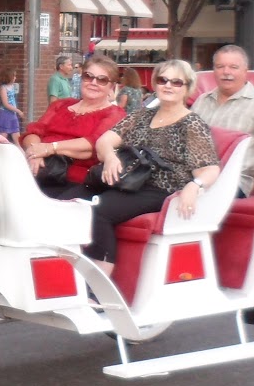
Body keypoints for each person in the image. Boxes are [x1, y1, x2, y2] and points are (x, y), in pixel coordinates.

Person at [67, 59, 221, 266]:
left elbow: (210, 168)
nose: (168, 85)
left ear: (187, 89)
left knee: (98, 212)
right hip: (127, 179)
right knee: (68, 204)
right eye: (163, 79)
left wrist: (195, 186)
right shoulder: (141, 115)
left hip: (158, 187)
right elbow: (105, 141)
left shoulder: (192, 124)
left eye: (176, 82)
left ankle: (97, 287)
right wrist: (110, 156)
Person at [190, 44, 254, 190]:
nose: (226, 72)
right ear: (214, 70)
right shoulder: (202, 101)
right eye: (220, 66)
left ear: (245, 71)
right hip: (193, 175)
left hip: (231, 181)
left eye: (233, 67)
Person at [21, 53, 125, 198]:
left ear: (111, 87)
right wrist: (35, 153)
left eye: (102, 80)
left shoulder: (114, 114)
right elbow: (34, 132)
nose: (93, 82)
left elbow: (92, 145)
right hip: (38, 169)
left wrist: (49, 148)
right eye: (88, 76)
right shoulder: (61, 105)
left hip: (76, 180)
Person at [0, 74, 23, 144]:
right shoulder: (3, 88)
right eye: (14, 76)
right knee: (2, 138)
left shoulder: (12, 87)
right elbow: (6, 104)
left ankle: (22, 153)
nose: (15, 77)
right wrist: (18, 110)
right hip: (5, 114)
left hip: (12, 115)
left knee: (17, 139)